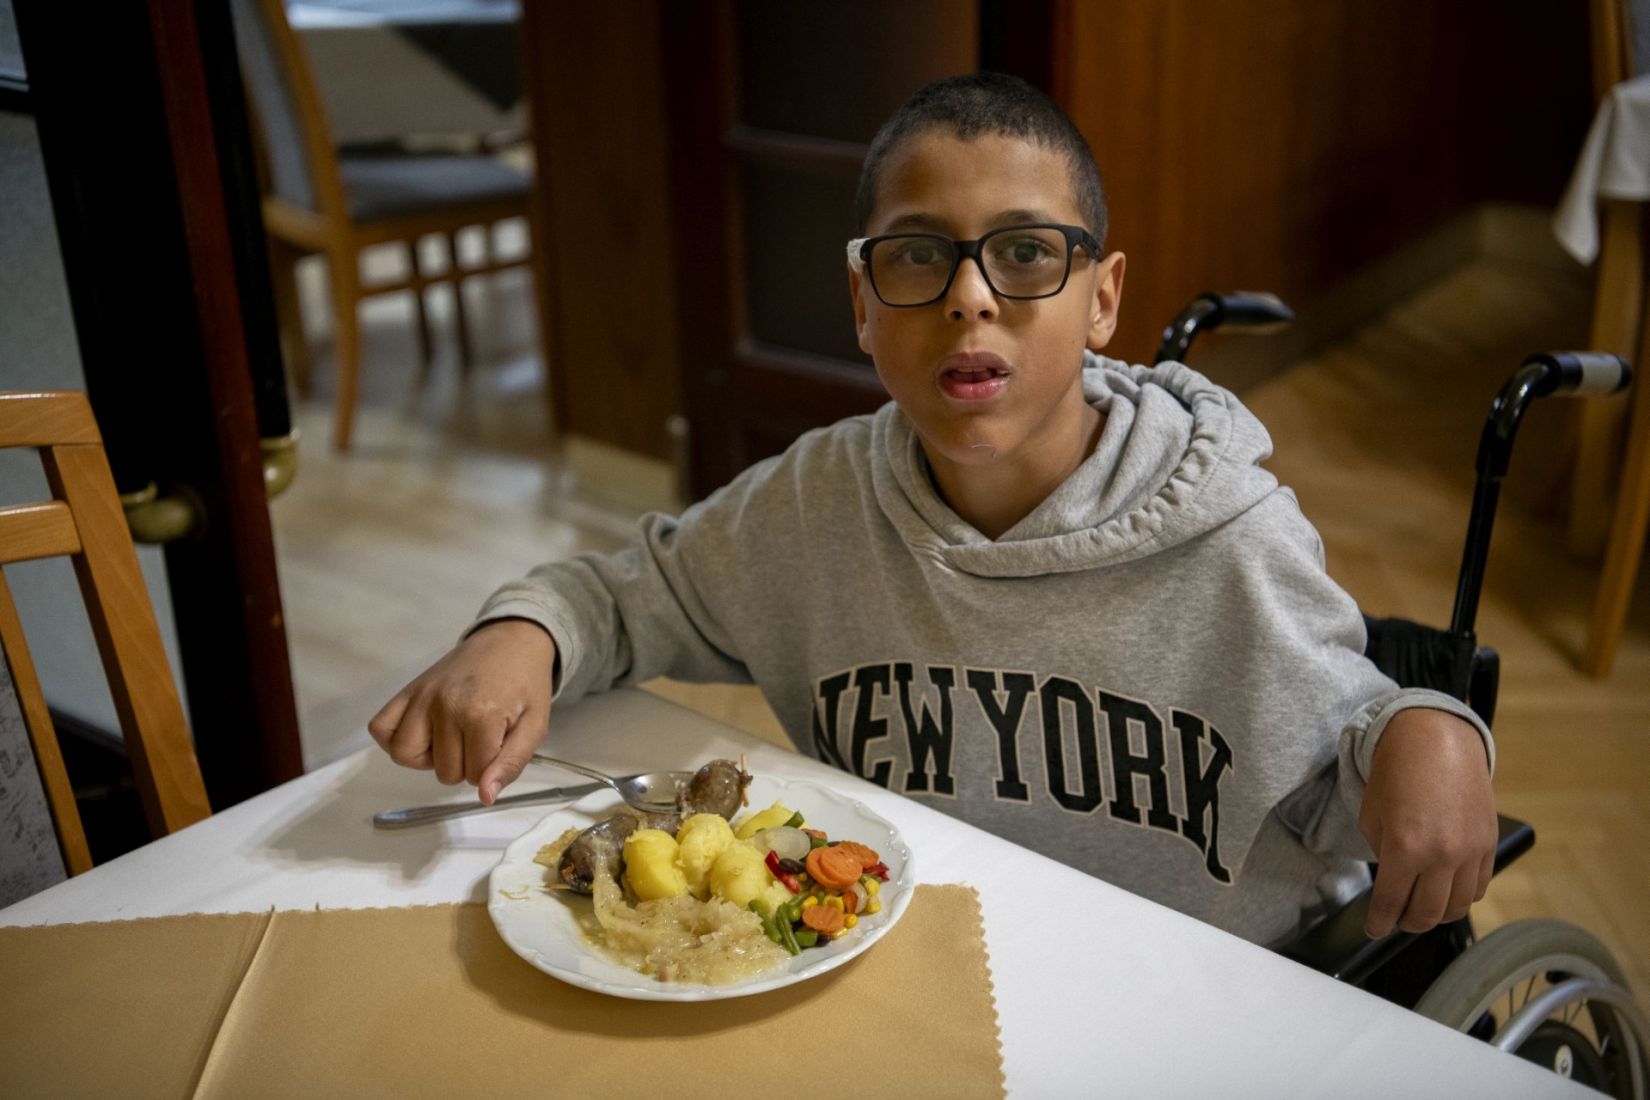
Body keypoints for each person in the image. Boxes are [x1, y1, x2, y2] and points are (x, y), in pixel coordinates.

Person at [369, 73, 1497, 948]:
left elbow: (1360, 766)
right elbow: (632, 592)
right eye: (918, 256)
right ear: (863, 303)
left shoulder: (1233, 538)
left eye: (1026, 253)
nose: (968, 296)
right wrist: (522, 633)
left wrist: (1430, 728)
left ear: (1103, 298)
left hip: (1186, 996)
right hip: (909, 961)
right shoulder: (815, 503)